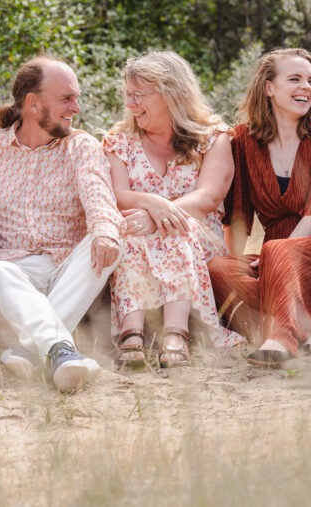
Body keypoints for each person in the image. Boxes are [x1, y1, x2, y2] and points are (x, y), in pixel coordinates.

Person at [0, 56, 123, 393]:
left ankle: (36, 350)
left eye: (76, 98)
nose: (77, 108)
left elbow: (98, 194)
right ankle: (59, 351)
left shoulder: (81, 146)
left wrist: (104, 231)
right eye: (67, 98)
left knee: (113, 237)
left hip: (70, 270)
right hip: (16, 277)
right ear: (33, 103)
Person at [208, 49, 311, 367]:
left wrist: (274, 257)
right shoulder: (245, 142)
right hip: (277, 255)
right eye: (294, 79)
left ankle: (280, 339)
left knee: (277, 250)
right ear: (269, 87)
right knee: (217, 269)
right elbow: (238, 217)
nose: (306, 87)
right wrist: (238, 262)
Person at [103, 51, 242, 370]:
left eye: (139, 95)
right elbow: (118, 194)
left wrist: (157, 217)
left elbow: (208, 197)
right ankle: (131, 335)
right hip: (137, 230)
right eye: (128, 95)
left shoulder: (212, 137)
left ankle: (175, 334)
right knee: (133, 234)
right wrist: (151, 205)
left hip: (197, 235)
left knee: (177, 227)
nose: (131, 104)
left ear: (170, 93)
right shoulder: (119, 140)